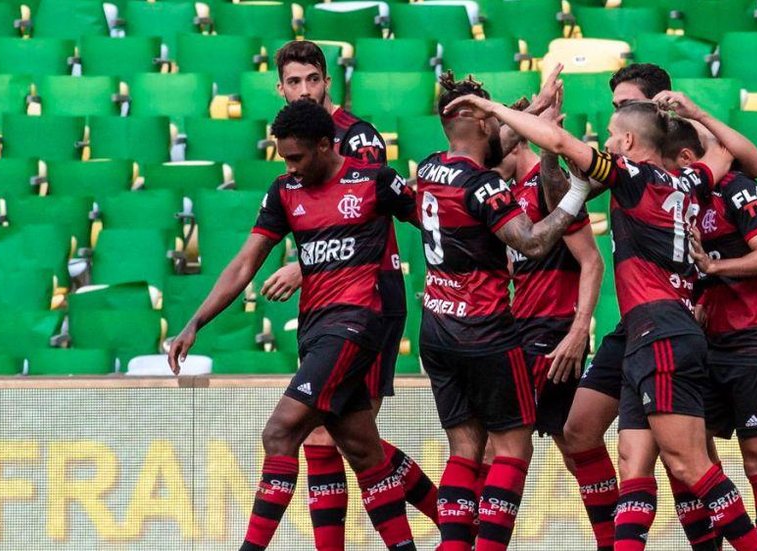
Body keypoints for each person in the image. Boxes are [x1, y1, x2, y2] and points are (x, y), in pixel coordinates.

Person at [442, 94, 757, 551]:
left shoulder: (631, 175)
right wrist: (697, 113)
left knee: (690, 464)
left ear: (629, 140)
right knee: (631, 459)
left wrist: (494, 112)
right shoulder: (690, 180)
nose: (609, 143)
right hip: (650, 331)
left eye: (613, 136)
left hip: (662, 330)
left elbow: (557, 139)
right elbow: (728, 151)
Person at [168, 100, 419, 551]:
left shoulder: (374, 180)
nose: (290, 166)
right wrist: (195, 322)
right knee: (363, 450)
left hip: (357, 323)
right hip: (316, 329)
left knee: (279, 432)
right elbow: (246, 264)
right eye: (284, 158)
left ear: (325, 145)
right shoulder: (285, 191)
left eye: (297, 157)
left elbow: (440, 223)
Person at [559, 63, 757, 551]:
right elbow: (574, 177)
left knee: (685, 463)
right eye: (615, 110)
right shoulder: (640, 167)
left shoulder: (677, 151)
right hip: (638, 325)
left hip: (668, 321)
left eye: (625, 108)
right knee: (589, 434)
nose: (616, 119)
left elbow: (752, 162)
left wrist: (695, 113)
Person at [260, 41, 439, 548]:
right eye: (293, 82)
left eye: (311, 79)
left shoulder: (357, 138)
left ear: (327, 81)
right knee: (345, 435)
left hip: (371, 292)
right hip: (328, 299)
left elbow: (360, 209)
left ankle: (448, 521)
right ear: (280, 88)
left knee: (334, 434)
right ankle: (449, 519)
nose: (304, 90)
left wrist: (302, 264)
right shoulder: (294, 142)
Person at [419, 72, 588, 551]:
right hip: (486, 331)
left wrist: (532, 110)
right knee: (513, 447)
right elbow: (532, 242)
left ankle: (454, 546)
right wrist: (575, 194)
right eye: (488, 115)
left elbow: (494, 141)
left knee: (465, 449)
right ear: (474, 120)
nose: (497, 123)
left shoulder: (430, 168)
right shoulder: (484, 188)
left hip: (436, 326)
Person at [665, 118, 757, 551]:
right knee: (689, 457)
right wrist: (702, 293)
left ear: (689, 157)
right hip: (708, 342)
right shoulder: (686, 199)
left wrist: (714, 269)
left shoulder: (739, 188)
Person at [487, 95, 604, 505]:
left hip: (551, 333)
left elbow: (592, 261)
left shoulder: (548, 185)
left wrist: (577, 333)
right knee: (573, 445)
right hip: (524, 327)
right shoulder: (512, 192)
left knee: (497, 446)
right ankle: (619, 530)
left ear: (519, 144)